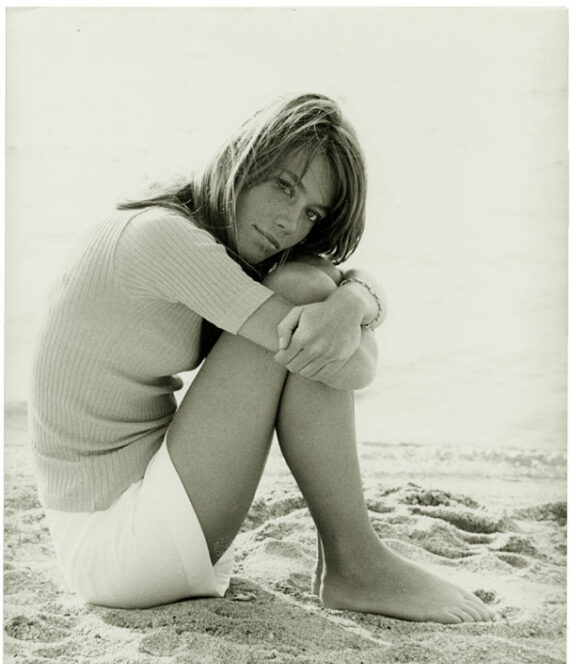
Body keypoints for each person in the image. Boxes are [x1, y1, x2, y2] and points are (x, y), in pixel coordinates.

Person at [30, 93, 491, 623]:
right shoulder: (166, 241)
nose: (288, 224)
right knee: (302, 291)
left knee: (307, 286)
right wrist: (342, 306)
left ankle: (354, 560)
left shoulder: (191, 224)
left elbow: (328, 283)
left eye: (310, 212)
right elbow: (353, 365)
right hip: (121, 543)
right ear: (245, 158)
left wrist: (355, 299)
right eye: (284, 186)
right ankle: (355, 561)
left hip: (125, 527)